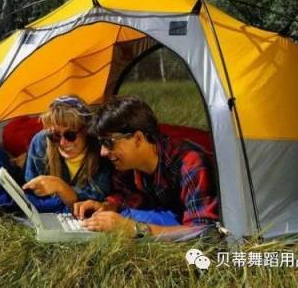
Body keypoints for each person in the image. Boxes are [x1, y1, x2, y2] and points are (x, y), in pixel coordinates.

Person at [74, 95, 219, 238]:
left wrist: (134, 229)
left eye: (109, 142)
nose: (103, 152)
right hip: (170, 215)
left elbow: (203, 232)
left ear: (138, 138)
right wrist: (107, 206)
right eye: (101, 143)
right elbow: (127, 195)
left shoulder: (190, 163)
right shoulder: (126, 164)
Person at [22, 95, 112, 210]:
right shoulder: (42, 141)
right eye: (55, 135)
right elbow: (31, 190)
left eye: (70, 135)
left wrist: (61, 187)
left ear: (86, 131)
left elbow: (97, 197)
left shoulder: (100, 149)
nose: (62, 143)